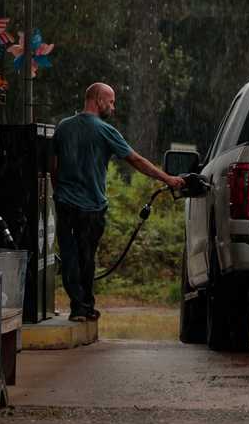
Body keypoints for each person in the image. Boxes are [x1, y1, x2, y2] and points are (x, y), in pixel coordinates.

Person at [51, 82, 185, 322]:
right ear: (97, 99)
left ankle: (78, 307)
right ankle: (85, 306)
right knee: (86, 257)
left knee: (70, 256)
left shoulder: (63, 127)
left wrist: (58, 192)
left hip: (65, 204)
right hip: (91, 207)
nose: (113, 107)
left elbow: (53, 163)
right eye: (110, 101)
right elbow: (136, 160)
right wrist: (168, 178)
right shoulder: (105, 131)